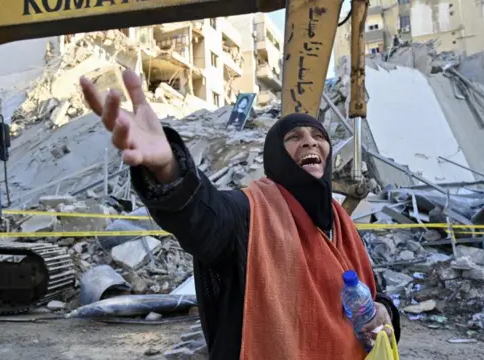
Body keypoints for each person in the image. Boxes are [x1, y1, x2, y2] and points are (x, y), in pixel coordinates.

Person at [80, 69, 400, 360]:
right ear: (275, 155)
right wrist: (169, 169)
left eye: (319, 137)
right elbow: (203, 220)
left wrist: (384, 309)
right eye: (294, 137)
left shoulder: (341, 223)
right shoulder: (249, 212)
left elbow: (373, 289)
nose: (309, 142)